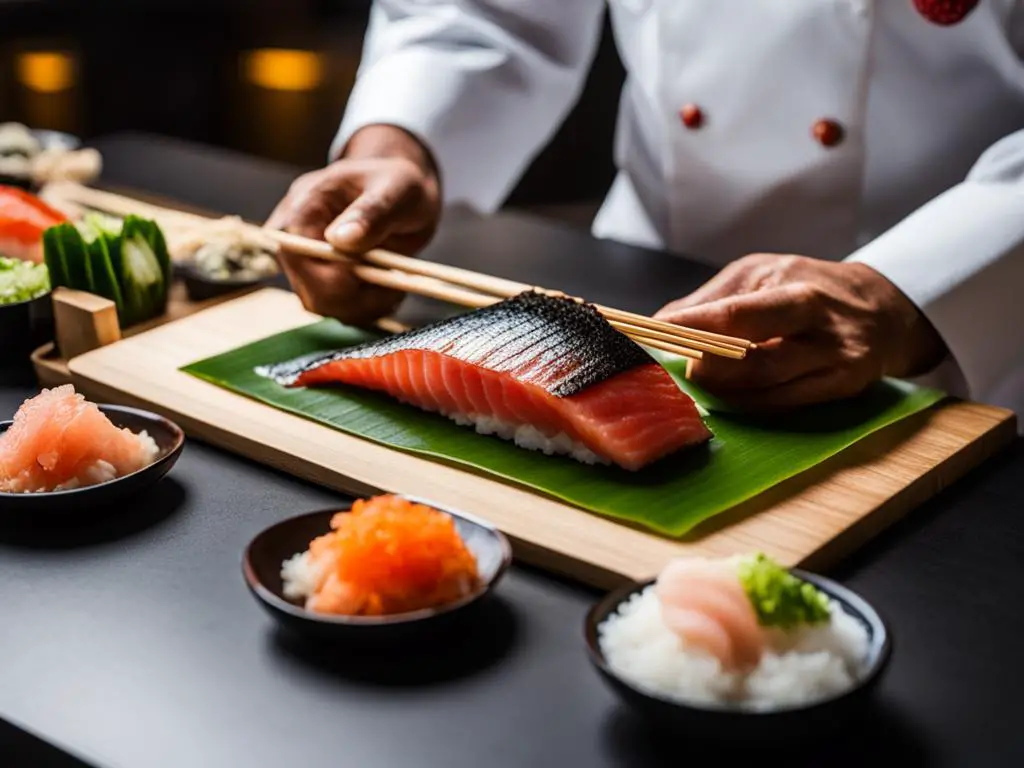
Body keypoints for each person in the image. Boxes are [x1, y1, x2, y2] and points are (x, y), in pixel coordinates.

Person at [267, 0, 1024, 421]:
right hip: (644, 300)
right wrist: (400, 144)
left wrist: (913, 288)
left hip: (973, 333)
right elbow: (484, 15)